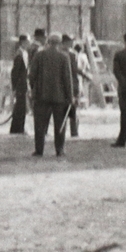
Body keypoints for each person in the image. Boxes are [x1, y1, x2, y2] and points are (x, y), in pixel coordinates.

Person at [29, 29, 74, 157]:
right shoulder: (64, 57)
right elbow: (67, 79)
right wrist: (70, 97)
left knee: (40, 125)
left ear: (48, 42)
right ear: (59, 43)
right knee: (60, 124)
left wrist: (33, 90)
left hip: (41, 96)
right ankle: (59, 150)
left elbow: (32, 76)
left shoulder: (39, 55)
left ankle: (39, 150)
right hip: (59, 97)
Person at [8, 34, 31, 136]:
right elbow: (15, 71)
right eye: (27, 41)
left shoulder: (24, 53)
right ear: (23, 42)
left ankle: (18, 127)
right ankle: (18, 128)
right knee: (20, 106)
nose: (29, 43)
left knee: (21, 106)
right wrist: (14, 86)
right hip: (20, 84)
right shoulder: (19, 54)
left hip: (24, 83)